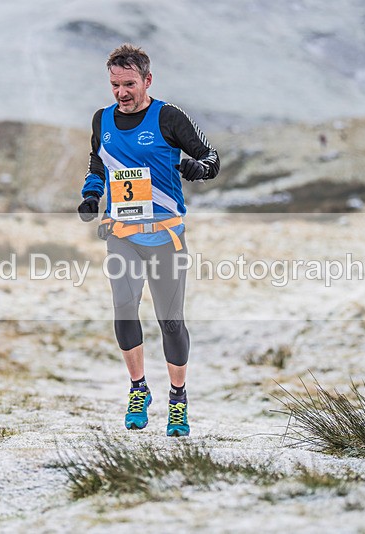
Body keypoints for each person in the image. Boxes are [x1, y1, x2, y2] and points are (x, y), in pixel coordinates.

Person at [77, 44, 220, 437]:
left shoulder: (169, 117)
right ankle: (138, 389)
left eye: (129, 84)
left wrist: (197, 167)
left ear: (147, 80)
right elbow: (98, 163)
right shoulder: (101, 119)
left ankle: (178, 399)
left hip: (166, 236)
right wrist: (91, 195)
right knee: (124, 309)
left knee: (170, 322)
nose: (121, 92)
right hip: (122, 235)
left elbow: (212, 159)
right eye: (114, 85)